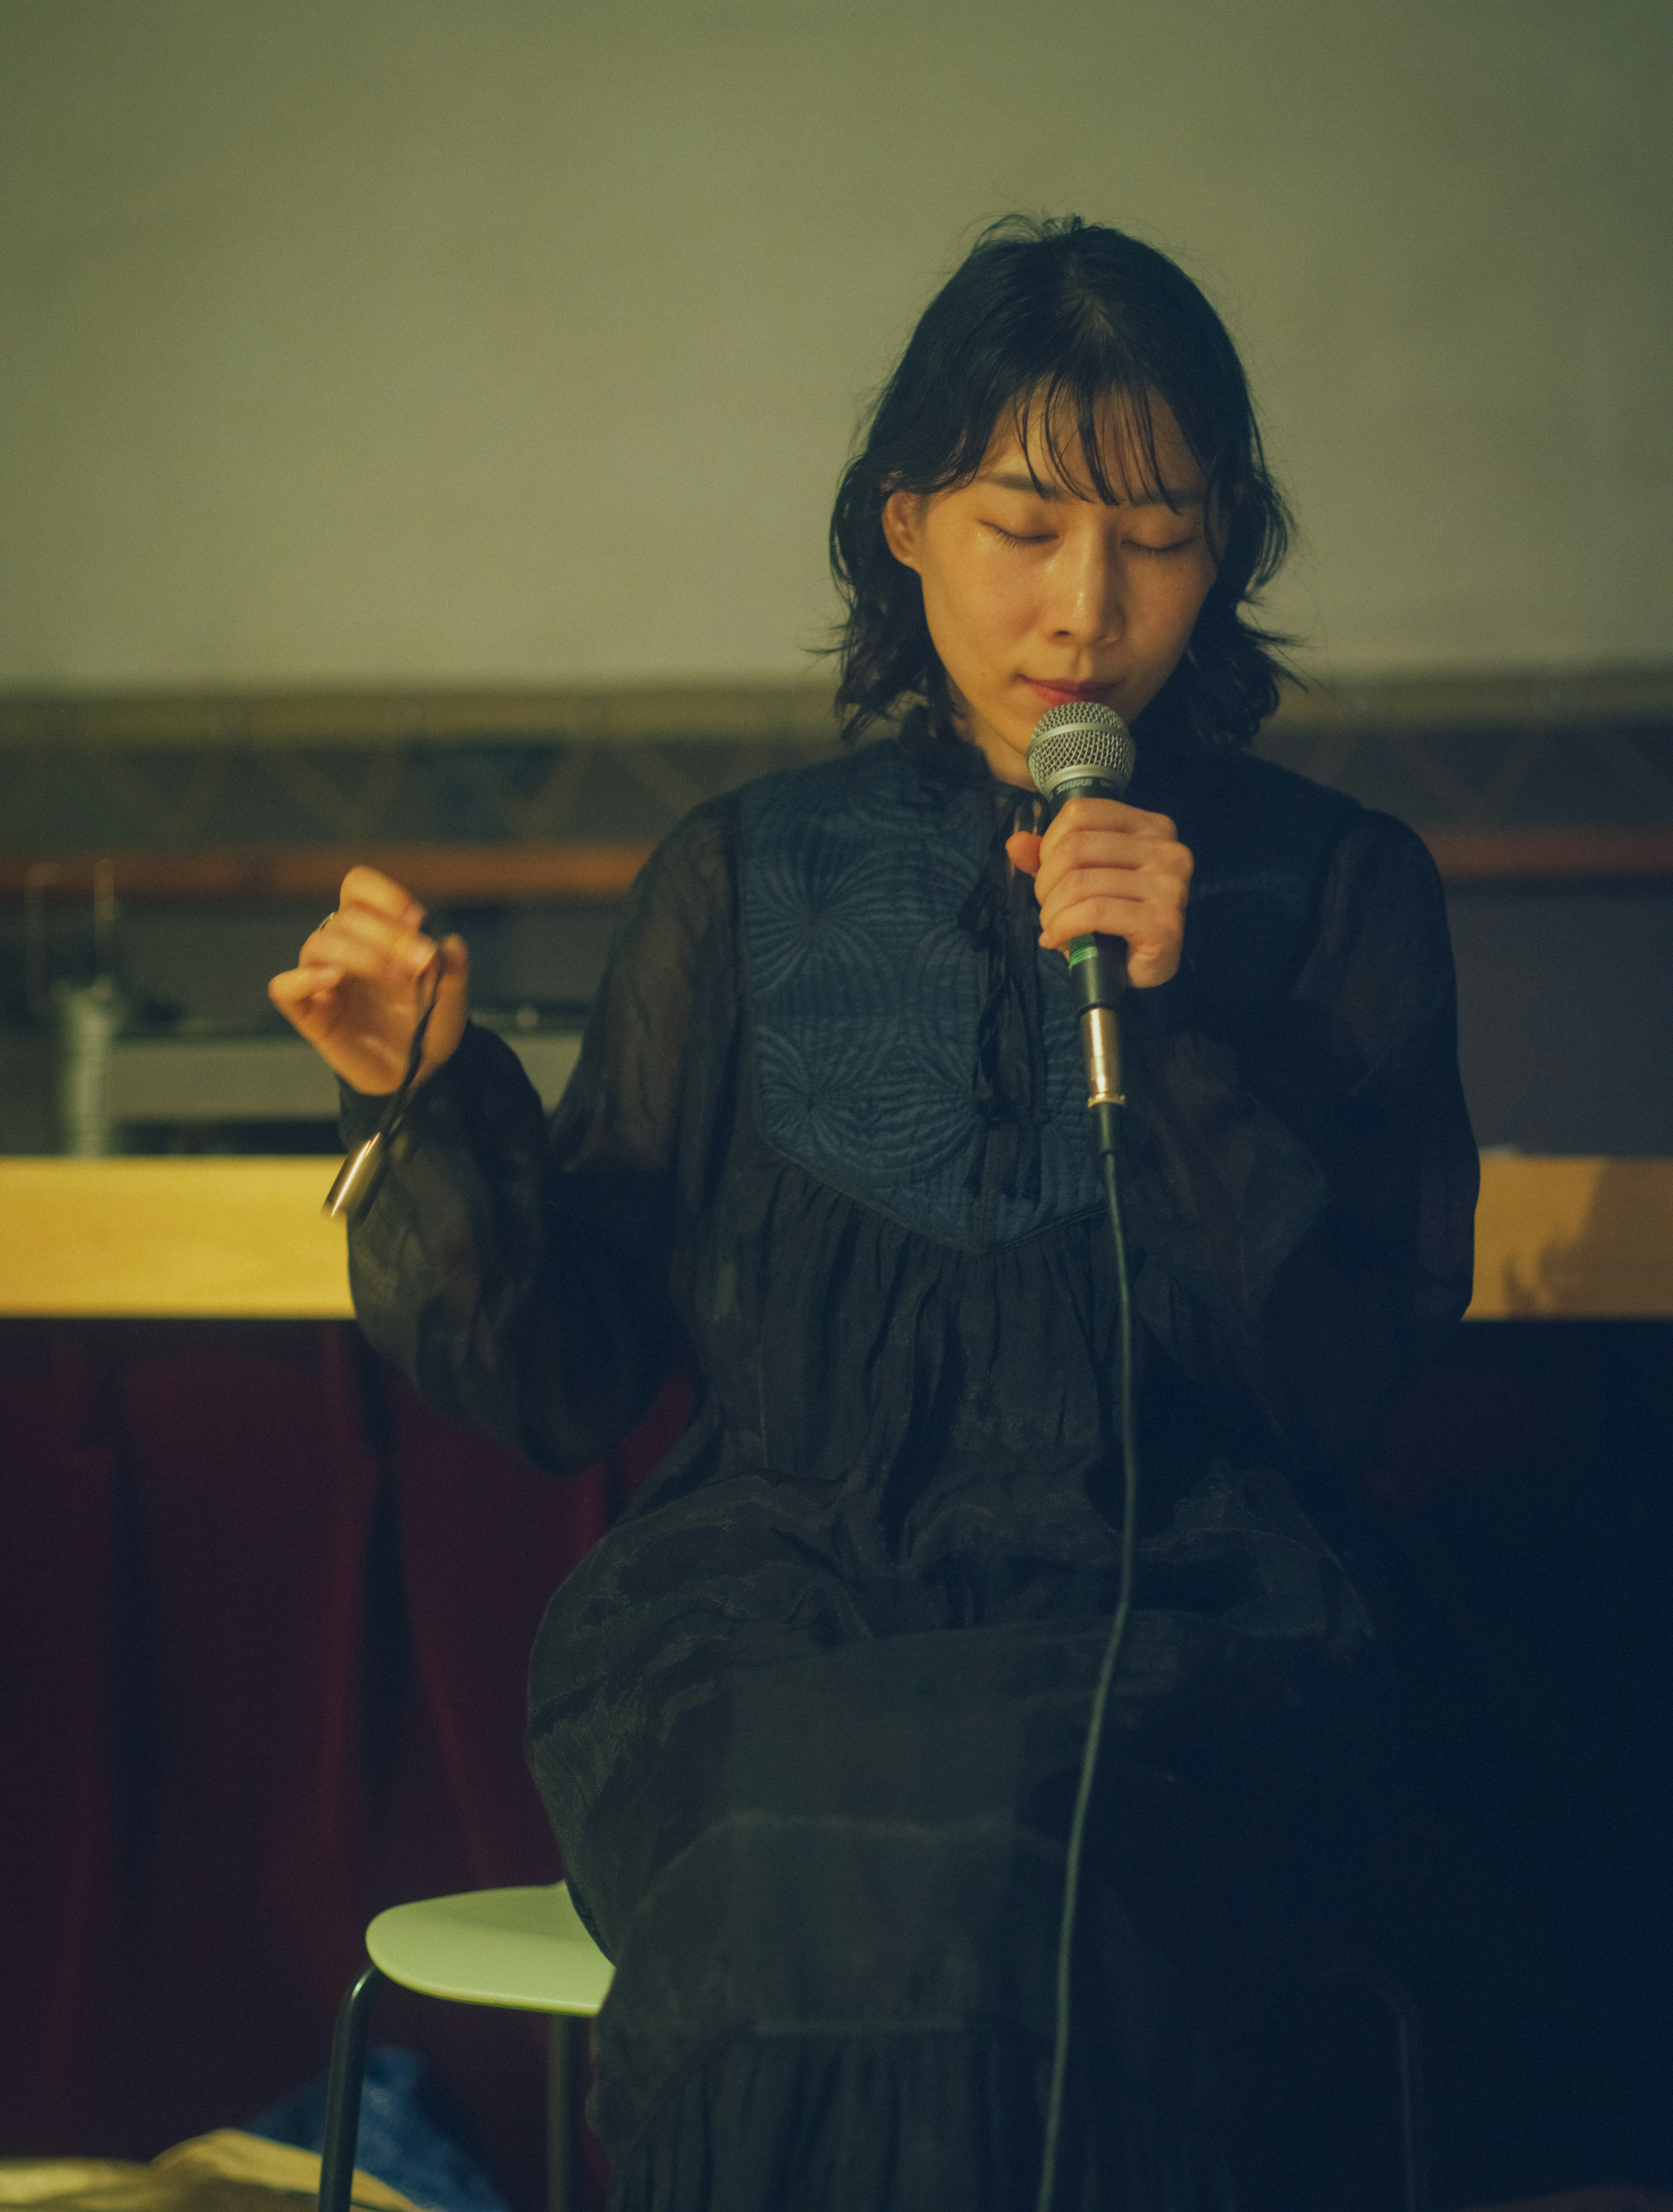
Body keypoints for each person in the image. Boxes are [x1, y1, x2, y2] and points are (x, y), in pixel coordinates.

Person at [270, 216, 1477, 2210]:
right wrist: (420, 1094)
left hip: (1180, 1624)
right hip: (766, 1617)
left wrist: (1169, 1030)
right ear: (904, 523)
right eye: (1024, 524)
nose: (1088, 604)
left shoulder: (1336, 887)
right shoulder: (740, 879)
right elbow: (570, 1376)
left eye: (1160, 533)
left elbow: (1341, 1383)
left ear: (1229, 546)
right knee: (816, 1834)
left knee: (1033, 1847)